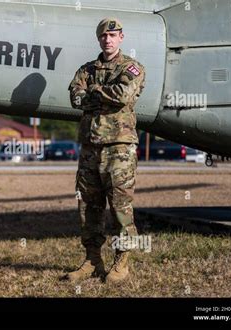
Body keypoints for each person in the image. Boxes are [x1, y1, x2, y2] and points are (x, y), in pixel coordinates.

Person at [62, 18, 146, 283]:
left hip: (119, 149)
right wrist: (102, 94)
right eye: (103, 36)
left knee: (120, 206)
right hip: (90, 149)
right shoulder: (86, 68)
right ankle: (92, 260)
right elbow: (75, 97)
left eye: (112, 35)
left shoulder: (132, 67)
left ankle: (122, 261)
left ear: (121, 37)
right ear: (98, 39)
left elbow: (124, 94)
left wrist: (94, 92)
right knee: (88, 207)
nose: (107, 39)